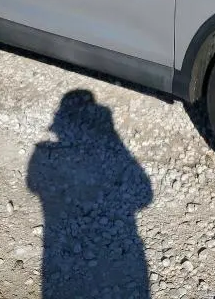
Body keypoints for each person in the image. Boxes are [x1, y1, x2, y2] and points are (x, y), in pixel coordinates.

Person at [27, 90, 153, 299]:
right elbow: (145, 195)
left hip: (58, 241)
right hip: (123, 243)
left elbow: (32, 184)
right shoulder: (113, 152)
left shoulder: (44, 154)